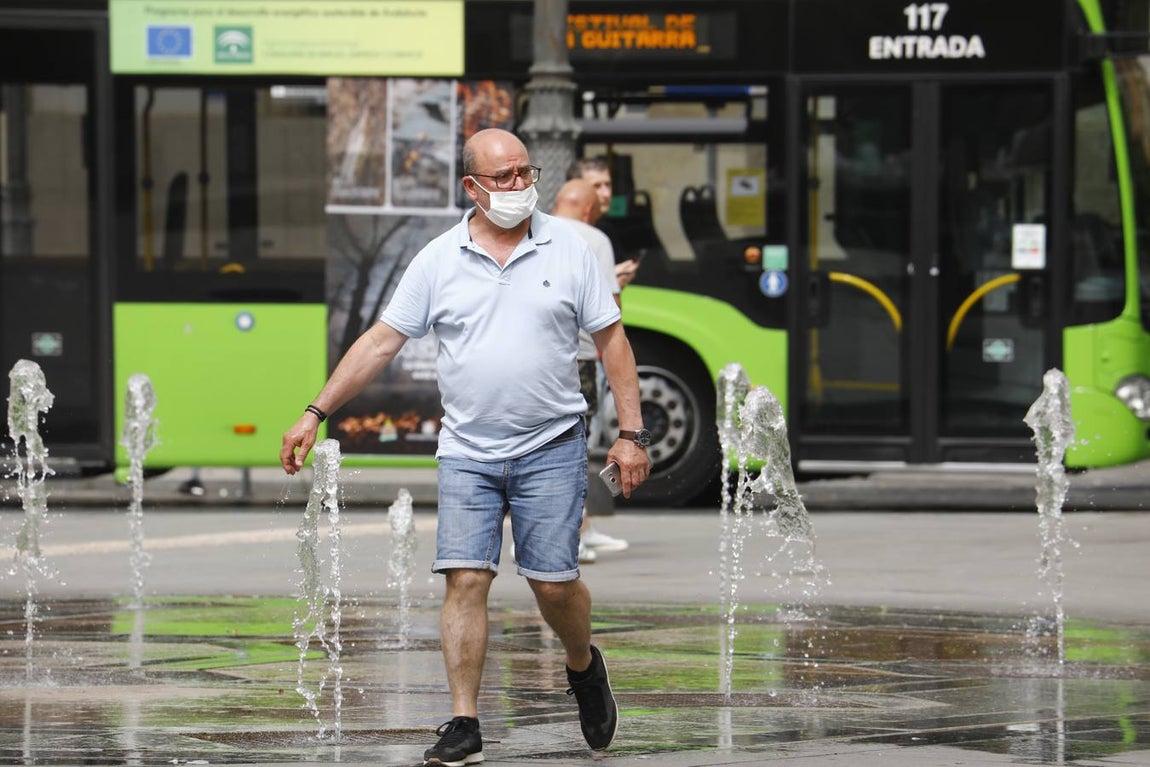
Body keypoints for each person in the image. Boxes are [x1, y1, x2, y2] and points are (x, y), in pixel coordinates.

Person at [280, 128, 651, 767]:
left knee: (554, 585)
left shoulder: (568, 249)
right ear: (471, 187)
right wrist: (316, 412)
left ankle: (584, 665)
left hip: (552, 443)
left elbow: (612, 342)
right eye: (502, 178)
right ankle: (463, 721)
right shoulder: (439, 259)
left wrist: (631, 434)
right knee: (466, 578)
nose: (517, 187)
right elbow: (379, 343)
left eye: (524, 173)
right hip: (468, 451)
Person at [551, 178, 631, 562]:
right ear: (587, 209)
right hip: (581, 354)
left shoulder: (535, 230)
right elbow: (610, 307)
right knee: (574, 446)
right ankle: (569, 533)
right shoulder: (594, 238)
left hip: (543, 354)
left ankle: (581, 526)